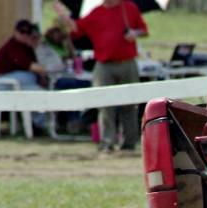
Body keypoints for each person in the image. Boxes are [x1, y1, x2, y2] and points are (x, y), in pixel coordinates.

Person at [53, 0, 149, 154]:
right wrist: (64, 16)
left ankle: (129, 142)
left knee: (130, 104)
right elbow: (77, 28)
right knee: (104, 104)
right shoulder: (96, 12)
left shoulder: (129, 8)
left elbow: (143, 30)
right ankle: (107, 142)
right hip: (104, 64)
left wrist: (134, 33)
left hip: (127, 62)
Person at [0, 20, 48, 132]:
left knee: (40, 91)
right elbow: (32, 66)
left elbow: (37, 66)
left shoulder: (26, 47)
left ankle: (37, 124)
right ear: (16, 32)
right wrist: (47, 69)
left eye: (28, 32)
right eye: (22, 32)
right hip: (4, 82)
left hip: (20, 82)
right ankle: (36, 125)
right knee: (39, 94)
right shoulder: (13, 46)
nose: (24, 35)